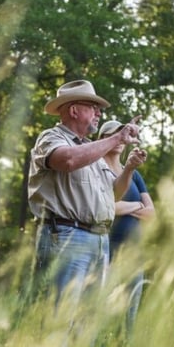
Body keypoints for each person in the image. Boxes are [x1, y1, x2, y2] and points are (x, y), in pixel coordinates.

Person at [27, 80, 142, 308]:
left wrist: (129, 167)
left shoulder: (92, 149)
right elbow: (68, 160)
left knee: (88, 324)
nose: (99, 113)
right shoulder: (51, 138)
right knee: (60, 318)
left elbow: (114, 194)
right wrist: (117, 138)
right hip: (67, 236)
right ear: (74, 110)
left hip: (99, 241)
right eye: (93, 107)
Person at [99, 120, 154, 329]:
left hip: (134, 256)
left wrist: (125, 206)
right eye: (112, 133)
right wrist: (138, 204)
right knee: (104, 316)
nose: (119, 138)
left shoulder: (134, 173)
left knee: (129, 319)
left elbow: (152, 214)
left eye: (120, 132)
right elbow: (105, 208)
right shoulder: (98, 170)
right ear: (102, 139)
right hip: (107, 254)